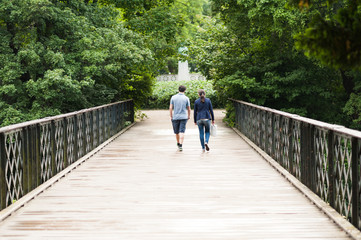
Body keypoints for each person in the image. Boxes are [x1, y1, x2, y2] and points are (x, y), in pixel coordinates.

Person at [169, 85, 191, 151]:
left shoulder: (173, 97)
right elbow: (189, 108)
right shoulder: (186, 98)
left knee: (176, 132)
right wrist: (189, 115)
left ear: (178, 90)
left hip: (175, 116)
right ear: (184, 90)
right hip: (184, 117)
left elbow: (170, 108)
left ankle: (178, 143)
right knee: (182, 131)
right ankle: (181, 144)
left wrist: (171, 116)